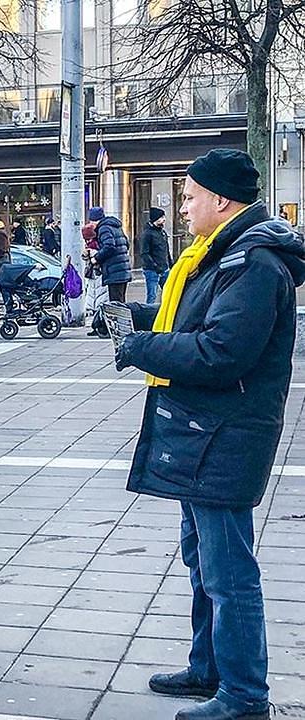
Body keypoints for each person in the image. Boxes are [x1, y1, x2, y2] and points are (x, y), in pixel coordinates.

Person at [115, 149, 305, 720]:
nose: (185, 206)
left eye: (192, 196)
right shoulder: (226, 256)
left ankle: (245, 695)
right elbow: (199, 322)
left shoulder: (252, 264)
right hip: (204, 435)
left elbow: (222, 353)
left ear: (221, 200)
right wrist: (145, 318)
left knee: (228, 571)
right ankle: (209, 668)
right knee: (202, 559)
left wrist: (141, 346)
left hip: (225, 437)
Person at [90, 206, 132, 302]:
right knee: (121, 301)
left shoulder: (103, 228)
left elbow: (109, 246)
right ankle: (123, 317)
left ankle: (119, 317)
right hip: (123, 269)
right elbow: (126, 244)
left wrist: (96, 258)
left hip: (114, 271)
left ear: (94, 220)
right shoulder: (116, 227)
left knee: (115, 303)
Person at [140, 207, 173, 304]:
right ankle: (149, 315)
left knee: (168, 293)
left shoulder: (162, 232)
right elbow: (144, 253)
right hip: (152, 270)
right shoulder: (147, 234)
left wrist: (171, 264)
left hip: (164, 268)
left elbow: (166, 250)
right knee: (152, 295)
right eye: (161, 217)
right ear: (155, 218)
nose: (164, 219)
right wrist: (155, 266)